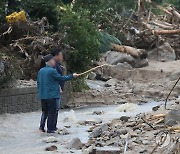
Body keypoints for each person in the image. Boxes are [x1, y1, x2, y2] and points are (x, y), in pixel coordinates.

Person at [37, 54, 79, 133]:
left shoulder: (41, 71)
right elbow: (62, 78)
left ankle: (41, 128)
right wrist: (72, 76)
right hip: (52, 96)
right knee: (52, 113)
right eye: (53, 60)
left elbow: (39, 83)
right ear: (49, 62)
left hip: (43, 96)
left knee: (45, 112)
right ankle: (51, 130)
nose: (54, 62)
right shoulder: (52, 71)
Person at [51, 49, 65, 130]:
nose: (62, 56)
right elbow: (55, 78)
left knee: (55, 110)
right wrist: (59, 88)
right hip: (55, 91)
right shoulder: (54, 65)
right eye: (61, 55)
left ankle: (53, 127)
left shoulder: (58, 65)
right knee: (53, 110)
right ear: (56, 55)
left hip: (57, 91)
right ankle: (51, 128)